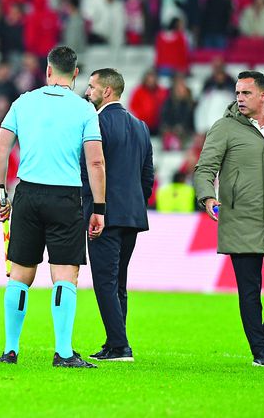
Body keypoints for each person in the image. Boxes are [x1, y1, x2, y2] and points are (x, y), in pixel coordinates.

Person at [0, 46, 106, 368]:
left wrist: (2, 194)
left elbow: (0, 150)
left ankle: (10, 350)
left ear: (47, 70)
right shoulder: (85, 110)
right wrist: (99, 207)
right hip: (66, 196)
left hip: (27, 194)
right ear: (76, 74)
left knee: (19, 276)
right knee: (65, 276)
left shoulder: (23, 102)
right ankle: (64, 352)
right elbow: (95, 161)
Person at [193, 71, 264, 367]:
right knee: (250, 290)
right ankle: (260, 351)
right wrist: (208, 198)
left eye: (246, 93)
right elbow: (204, 170)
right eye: (237, 93)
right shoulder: (224, 127)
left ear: (263, 96)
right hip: (240, 218)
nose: (239, 98)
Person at [82, 68, 154, 362]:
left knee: (105, 281)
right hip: (133, 216)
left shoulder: (94, 124)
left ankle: (120, 346)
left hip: (104, 215)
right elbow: (148, 176)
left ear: (107, 91)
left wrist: (93, 207)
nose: (87, 92)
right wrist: (134, 202)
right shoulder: (140, 126)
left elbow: (89, 169)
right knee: (119, 281)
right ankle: (115, 342)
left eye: (91, 87)